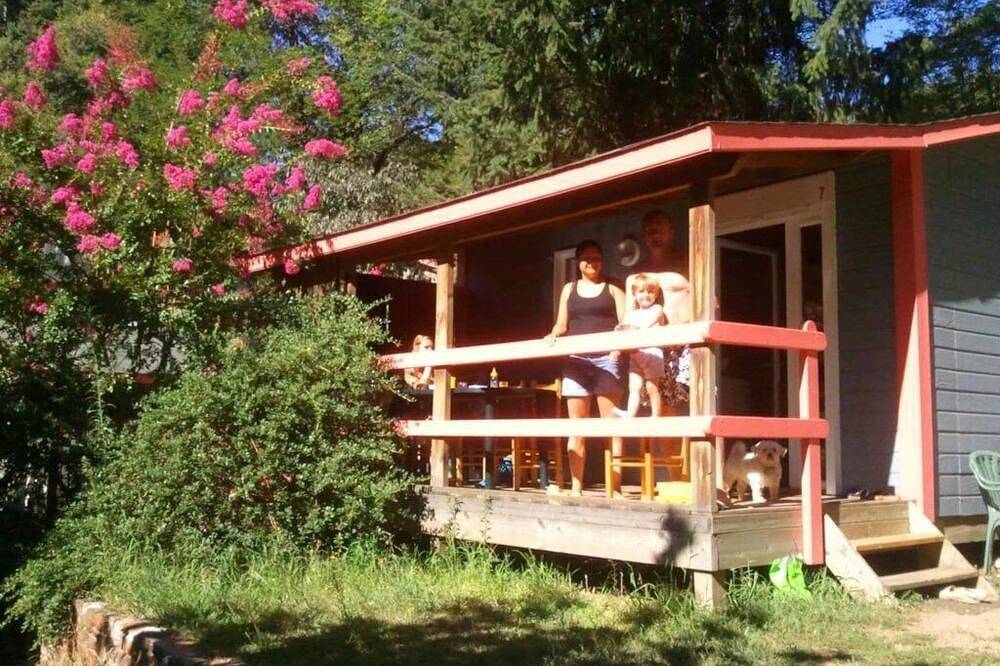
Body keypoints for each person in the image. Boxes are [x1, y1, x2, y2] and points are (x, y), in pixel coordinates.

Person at [545, 240, 626, 496]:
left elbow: (626, 323)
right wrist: (552, 335)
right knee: (577, 427)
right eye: (587, 259)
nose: (592, 263)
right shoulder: (569, 289)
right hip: (576, 361)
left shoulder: (613, 288)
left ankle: (615, 487)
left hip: (606, 360)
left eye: (597, 258)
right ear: (578, 262)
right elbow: (561, 324)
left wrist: (616, 350)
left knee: (611, 427)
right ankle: (576, 487)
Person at [612, 274, 666, 418]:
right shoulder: (631, 313)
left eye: (650, 291)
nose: (646, 295)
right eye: (641, 292)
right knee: (634, 386)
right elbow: (622, 328)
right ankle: (630, 414)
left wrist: (630, 329)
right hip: (635, 353)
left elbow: (646, 324)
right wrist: (619, 331)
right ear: (634, 294)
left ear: (656, 294)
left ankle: (656, 416)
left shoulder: (657, 309)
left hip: (652, 353)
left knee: (651, 387)